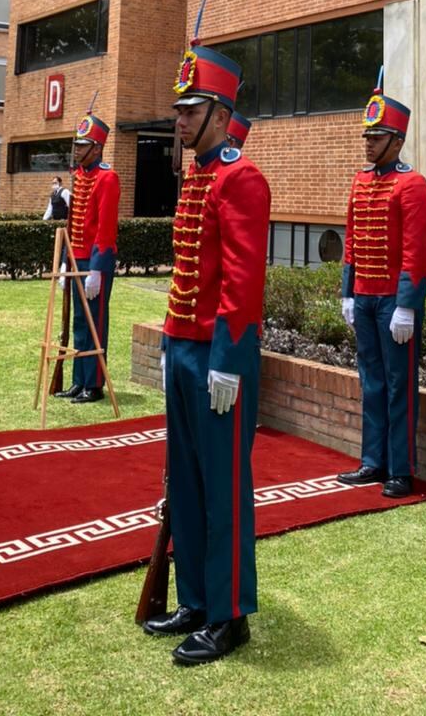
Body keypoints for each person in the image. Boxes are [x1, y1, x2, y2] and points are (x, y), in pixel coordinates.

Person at [143, 43, 271, 666]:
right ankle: (195, 598)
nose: (182, 120)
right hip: (188, 350)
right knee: (188, 483)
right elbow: (187, 274)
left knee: (223, 487)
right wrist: (171, 341)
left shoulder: (242, 178)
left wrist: (224, 356)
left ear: (221, 114)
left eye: (192, 110)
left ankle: (229, 614)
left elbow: (242, 280)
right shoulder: (199, 176)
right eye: (181, 111)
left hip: (223, 357)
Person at [336, 73, 426, 496]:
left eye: (378, 137)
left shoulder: (412, 185)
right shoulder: (361, 181)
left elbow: (416, 249)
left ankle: (401, 468)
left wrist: (408, 304)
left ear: (397, 142)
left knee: (399, 386)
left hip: (395, 301)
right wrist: (347, 291)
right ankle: (372, 460)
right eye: (367, 137)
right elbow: (352, 239)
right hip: (366, 297)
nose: (369, 143)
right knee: (370, 380)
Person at [53, 116, 120, 404]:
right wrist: (67, 261)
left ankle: (94, 384)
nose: (77, 150)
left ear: (97, 148)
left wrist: (97, 269)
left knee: (95, 321)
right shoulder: (80, 175)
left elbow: (105, 228)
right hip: (77, 259)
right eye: (77, 145)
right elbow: (73, 222)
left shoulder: (107, 178)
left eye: (83, 146)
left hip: (94, 264)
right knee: (79, 321)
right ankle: (78, 380)